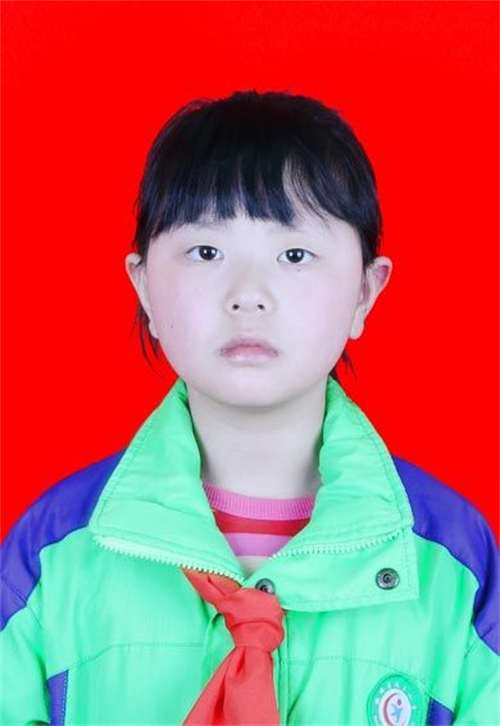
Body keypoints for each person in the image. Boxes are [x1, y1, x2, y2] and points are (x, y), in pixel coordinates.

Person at [1, 89, 498, 726]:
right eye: (207, 252)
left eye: (294, 255)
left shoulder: (452, 564)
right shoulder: (54, 555)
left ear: (365, 293)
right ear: (144, 285)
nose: (248, 295)